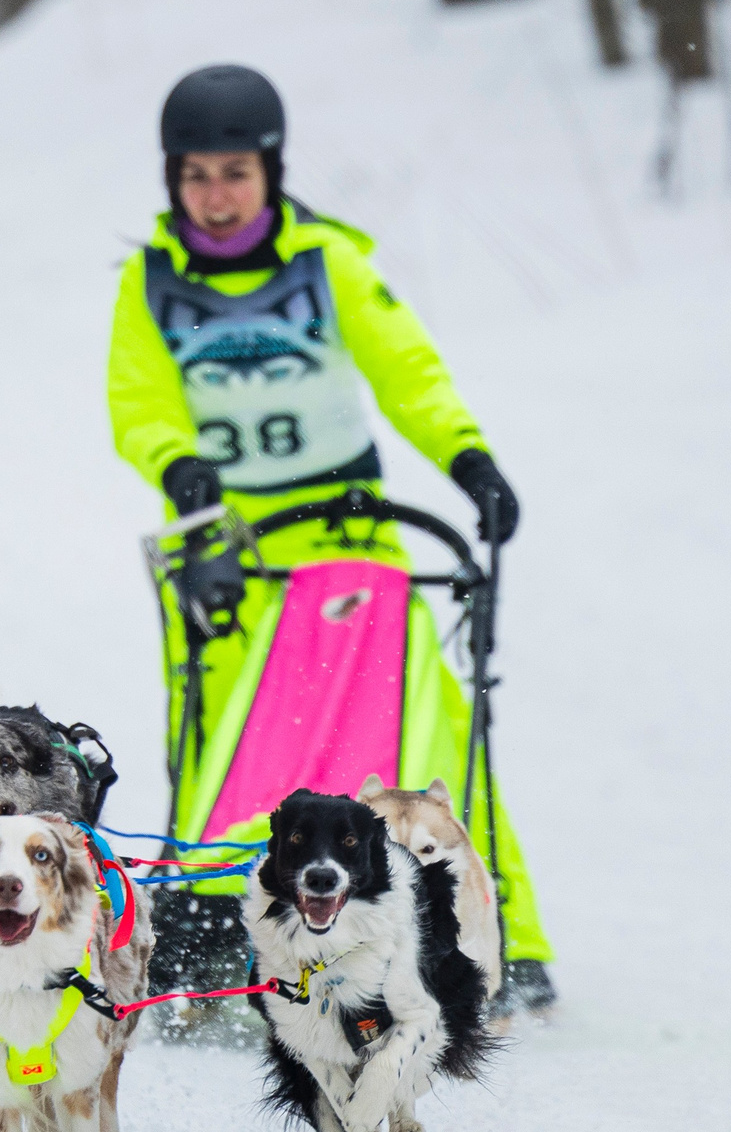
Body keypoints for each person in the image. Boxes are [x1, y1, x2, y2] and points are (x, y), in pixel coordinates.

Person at [105, 63, 555, 1014]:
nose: (215, 197)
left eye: (234, 173)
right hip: (233, 550)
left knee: (432, 732)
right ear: (170, 180)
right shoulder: (149, 284)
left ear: (270, 171)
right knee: (224, 739)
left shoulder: (331, 263)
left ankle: (496, 931)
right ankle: (215, 932)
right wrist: (178, 463)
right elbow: (137, 404)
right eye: (195, 176)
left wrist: (469, 460)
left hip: (354, 537)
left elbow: (409, 375)